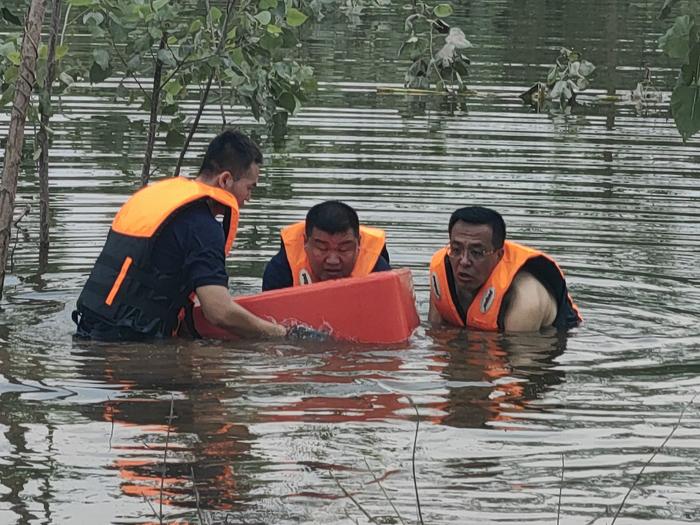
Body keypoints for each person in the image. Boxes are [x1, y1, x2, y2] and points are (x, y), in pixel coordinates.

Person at [73, 129, 287, 341]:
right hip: (128, 344)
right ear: (225, 180)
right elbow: (219, 311)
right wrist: (279, 333)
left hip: (88, 328)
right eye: (250, 188)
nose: (249, 198)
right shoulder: (203, 226)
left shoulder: (154, 197)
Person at [428, 206, 581, 332]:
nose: (464, 261)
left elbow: (523, 365)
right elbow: (435, 334)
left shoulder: (525, 298)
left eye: (477, 252)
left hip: (551, 340)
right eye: (456, 249)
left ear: (499, 255)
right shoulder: (442, 273)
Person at [262, 200, 391, 291]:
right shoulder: (282, 270)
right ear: (305, 242)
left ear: (359, 244)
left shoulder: (378, 271)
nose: (333, 260)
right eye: (322, 248)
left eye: (343, 249)